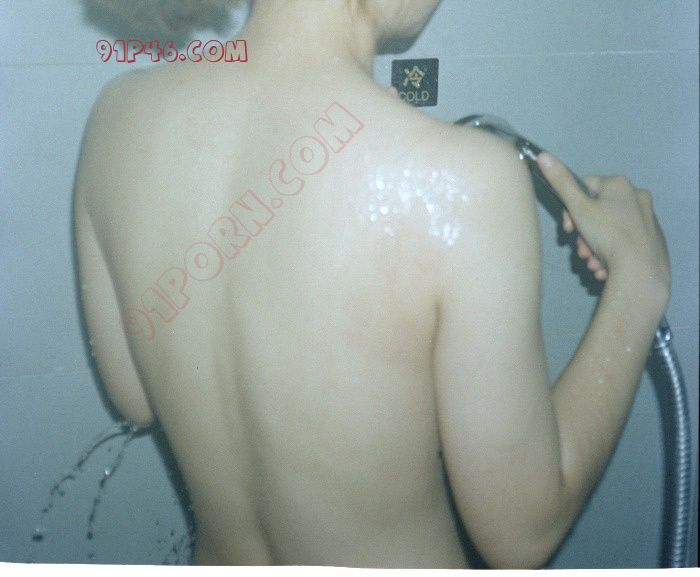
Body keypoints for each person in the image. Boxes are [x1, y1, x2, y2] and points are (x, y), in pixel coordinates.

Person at [74, 0, 671, 568]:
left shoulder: (118, 116)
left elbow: (135, 395)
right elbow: (523, 533)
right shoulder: (464, 182)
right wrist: (636, 285)